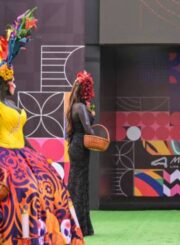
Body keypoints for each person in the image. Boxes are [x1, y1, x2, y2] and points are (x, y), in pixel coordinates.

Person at [0, 9, 84, 244]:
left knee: (52, 186)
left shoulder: (11, 102)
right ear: (4, 81)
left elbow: (22, 134)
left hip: (22, 156)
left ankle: (48, 236)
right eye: (11, 79)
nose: (15, 82)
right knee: (23, 192)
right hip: (4, 159)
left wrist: (36, 156)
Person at [66, 71, 96, 236]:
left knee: (76, 183)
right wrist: (93, 118)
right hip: (80, 148)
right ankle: (78, 226)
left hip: (75, 146)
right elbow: (88, 129)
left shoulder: (73, 106)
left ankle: (76, 224)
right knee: (79, 185)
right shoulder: (81, 107)